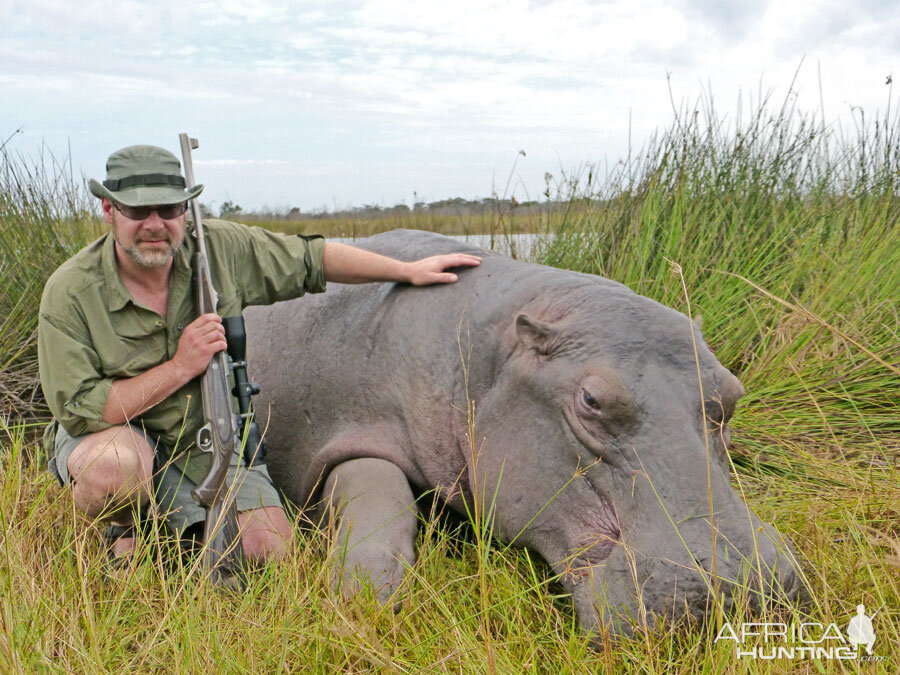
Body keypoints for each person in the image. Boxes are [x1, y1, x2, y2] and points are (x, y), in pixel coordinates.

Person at [38, 144, 481, 568]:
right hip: (116, 432)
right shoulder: (69, 290)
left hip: (199, 435)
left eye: (169, 209)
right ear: (109, 210)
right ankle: (124, 529)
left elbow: (311, 259)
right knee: (114, 476)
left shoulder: (219, 248)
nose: (155, 224)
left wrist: (405, 270)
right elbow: (86, 409)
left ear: (184, 212)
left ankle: (177, 533)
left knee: (268, 551)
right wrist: (180, 367)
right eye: (137, 210)